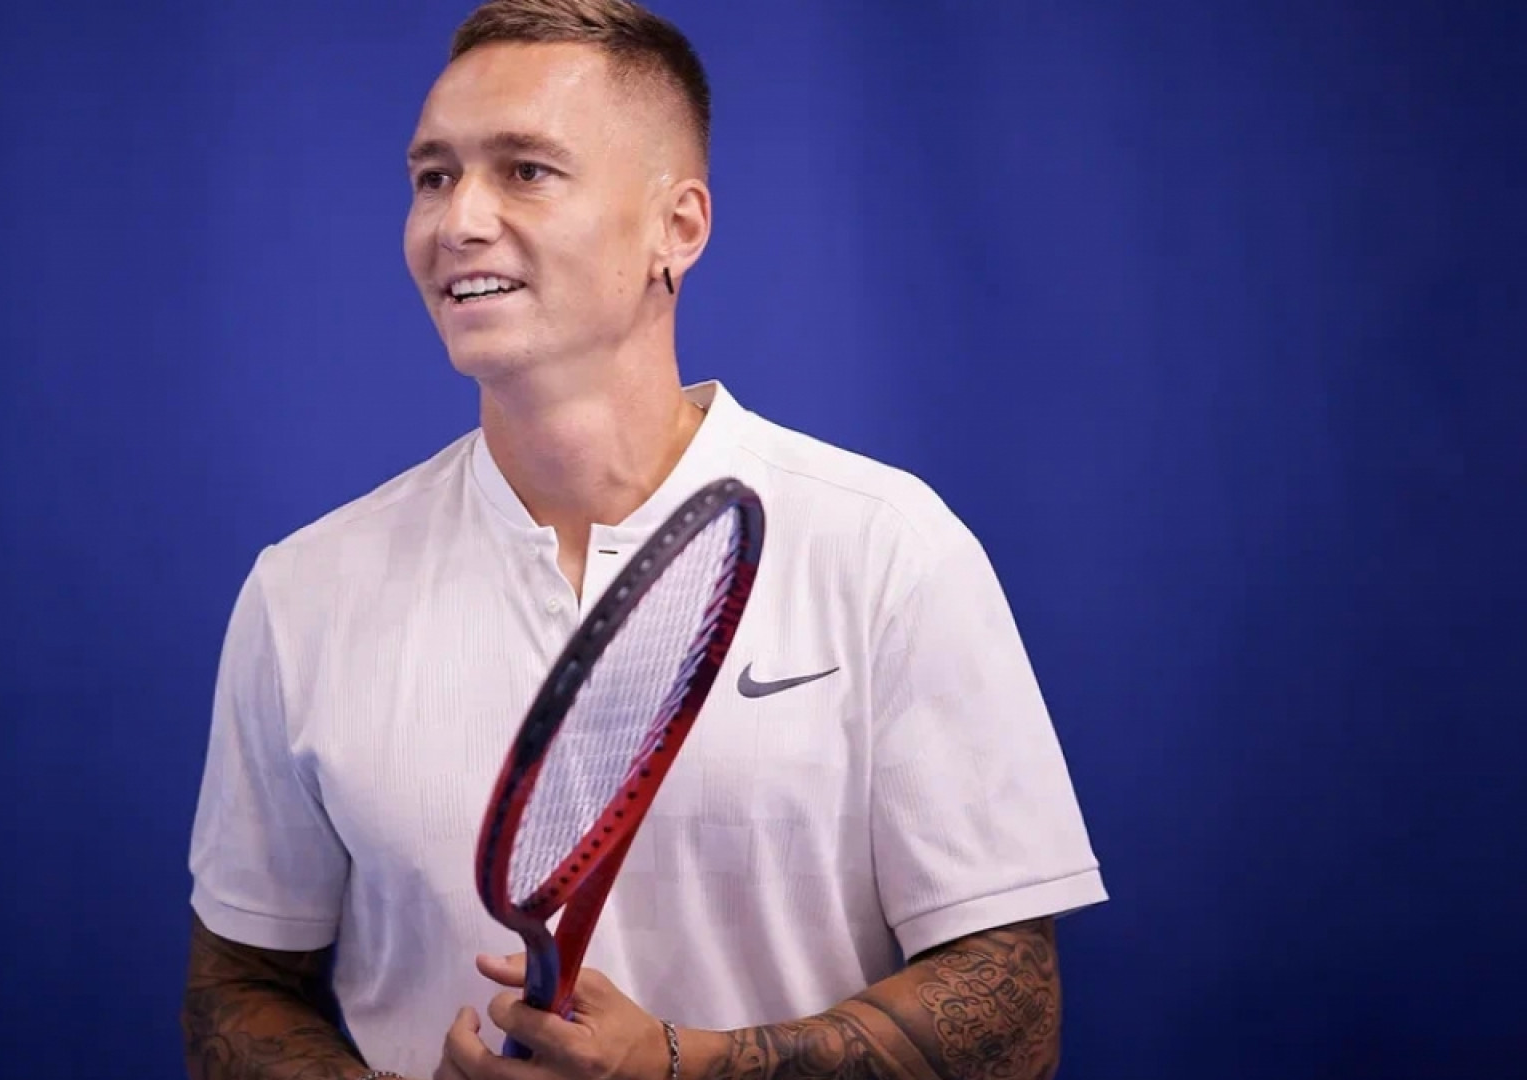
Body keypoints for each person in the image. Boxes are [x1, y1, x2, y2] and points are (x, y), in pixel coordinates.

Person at [181, 2, 1108, 1079]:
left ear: (680, 227)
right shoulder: (304, 590)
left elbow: (1014, 1011)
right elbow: (236, 992)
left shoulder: (890, 550)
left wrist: (682, 1064)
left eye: (526, 170)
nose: (457, 221)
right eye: (433, 177)